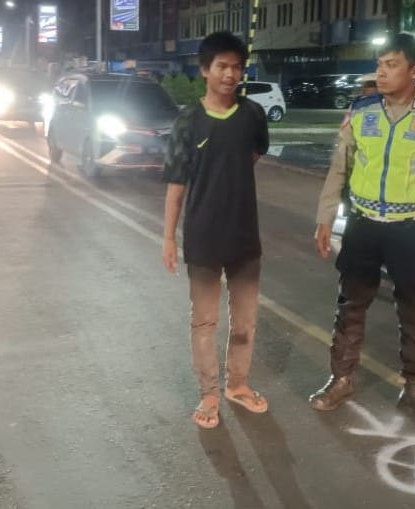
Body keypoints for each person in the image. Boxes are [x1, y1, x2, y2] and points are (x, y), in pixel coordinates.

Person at [308, 33, 415, 429]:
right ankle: (342, 379)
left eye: (391, 64)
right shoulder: (361, 110)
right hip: (364, 225)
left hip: (414, 228)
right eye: (379, 64)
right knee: (351, 304)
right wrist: (325, 217)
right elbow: (339, 167)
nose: (381, 72)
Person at [162, 31, 270, 429]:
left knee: (245, 322)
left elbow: (253, 154)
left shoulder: (252, 114)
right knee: (204, 322)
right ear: (205, 70)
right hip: (203, 238)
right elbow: (177, 185)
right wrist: (168, 237)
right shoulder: (189, 120)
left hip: (245, 237)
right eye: (222, 66)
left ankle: (237, 385)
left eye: (237, 67)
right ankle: (209, 393)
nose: (230, 74)